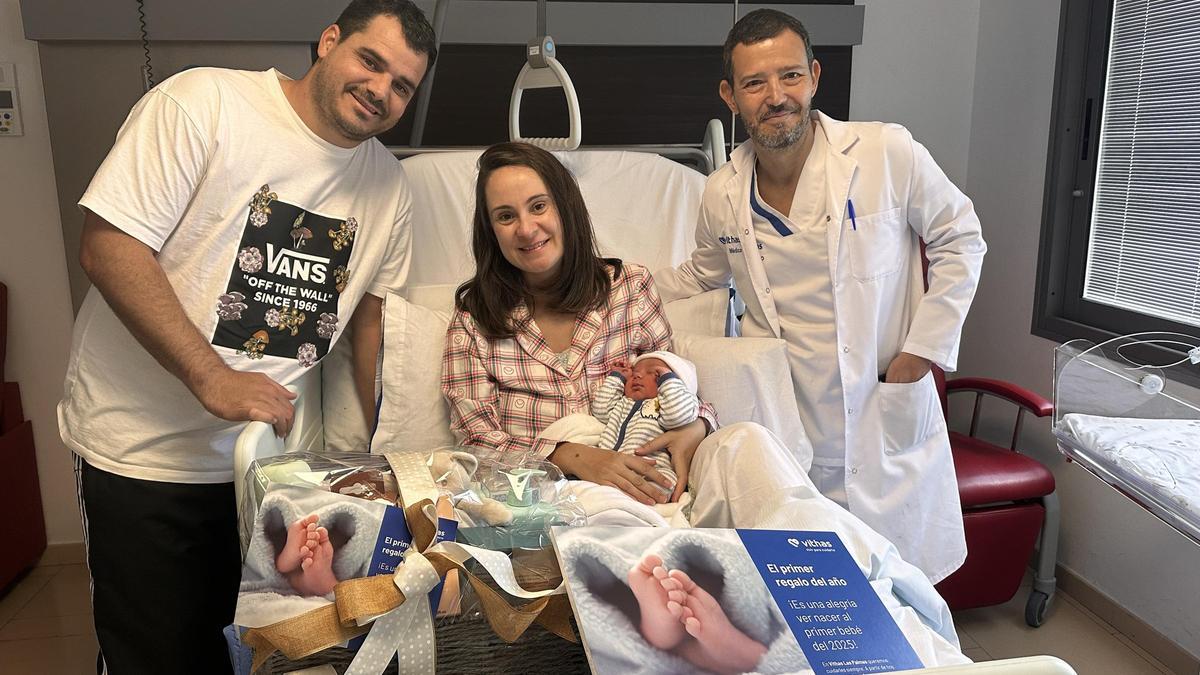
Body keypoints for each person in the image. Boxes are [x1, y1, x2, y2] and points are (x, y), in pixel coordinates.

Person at [440, 143, 966, 663]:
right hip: (569, 504)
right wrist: (574, 457)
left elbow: (678, 383)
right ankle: (763, 612)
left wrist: (697, 427)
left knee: (747, 444)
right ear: (490, 232)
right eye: (504, 216)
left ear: (565, 207)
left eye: (538, 206)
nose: (526, 228)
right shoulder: (475, 315)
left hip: (670, 475)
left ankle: (883, 617)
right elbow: (474, 436)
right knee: (642, 534)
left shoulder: (629, 287)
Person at [58, 1, 436, 671]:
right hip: (145, 457)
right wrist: (212, 375)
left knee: (264, 653)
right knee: (156, 653)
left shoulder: (388, 185)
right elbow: (108, 246)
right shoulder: (205, 105)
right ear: (328, 42)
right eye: (370, 61)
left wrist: (388, 452)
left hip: (269, 474)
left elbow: (372, 328)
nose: (381, 90)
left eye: (402, 84)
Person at [653, 9, 987, 583]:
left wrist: (920, 354)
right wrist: (604, 279)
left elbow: (962, 238)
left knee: (905, 604)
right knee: (810, 607)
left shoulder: (888, 153)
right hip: (788, 425)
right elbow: (703, 275)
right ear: (730, 96)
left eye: (789, 76)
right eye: (755, 83)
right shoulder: (721, 193)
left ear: (814, 76)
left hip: (881, 416)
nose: (775, 96)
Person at [592, 351, 701, 495]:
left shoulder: (668, 407)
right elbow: (600, 411)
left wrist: (667, 379)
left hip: (651, 469)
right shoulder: (623, 402)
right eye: (634, 373)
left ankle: (631, 501)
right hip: (608, 465)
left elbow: (678, 415)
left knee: (667, 480)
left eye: (654, 374)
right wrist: (618, 377)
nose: (638, 376)